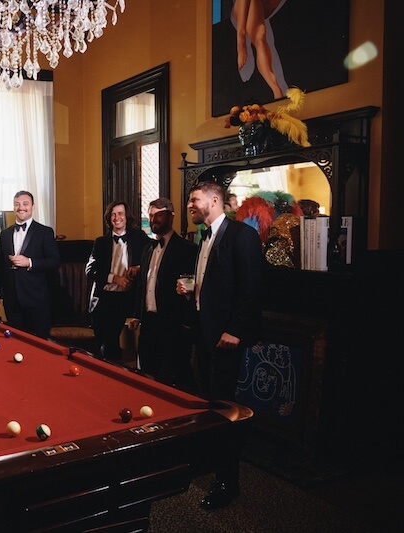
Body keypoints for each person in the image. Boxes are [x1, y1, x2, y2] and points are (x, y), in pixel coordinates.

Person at [178, 181, 263, 510]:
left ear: (215, 200)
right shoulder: (202, 238)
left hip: (227, 338)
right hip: (204, 333)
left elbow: (251, 289)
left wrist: (235, 331)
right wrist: (190, 292)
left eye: (194, 200)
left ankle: (228, 482)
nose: (190, 205)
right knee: (209, 403)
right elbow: (213, 285)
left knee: (226, 410)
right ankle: (209, 463)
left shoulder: (242, 235)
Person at [127, 198, 197, 388]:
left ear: (170, 216)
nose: (154, 219)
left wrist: (186, 321)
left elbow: (193, 283)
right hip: (148, 323)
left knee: (178, 376)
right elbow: (143, 285)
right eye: (151, 215)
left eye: (159, 215)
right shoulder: (147, 248)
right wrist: (136, 314)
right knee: (147, 375)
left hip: (173, 324)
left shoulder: (188, 249)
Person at [86, 201, 151, 363]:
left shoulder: (139, 238)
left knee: (117, 345)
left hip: (128, 300)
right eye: (113, 214)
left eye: (120, 214)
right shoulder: (100, 242)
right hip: (104, 298)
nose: (117, 218)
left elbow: (152, 261)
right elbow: (90, 270)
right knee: (104, 343)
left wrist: (137, 268)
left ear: (127, 217)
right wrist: (115, 278)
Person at [0, 191, 60, 339]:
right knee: (16, 344)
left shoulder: (45, 232)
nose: (21, 207)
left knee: (39, 347)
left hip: (37, 301)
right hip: (12, 301)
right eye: (17, 204)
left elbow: (54, 261)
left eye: (25, 204)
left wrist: (30, 262)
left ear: (33, 207)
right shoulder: (5, 234)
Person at [231, 0, 288, 99]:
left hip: (263, 6)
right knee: (259, 36)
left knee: (259, 36)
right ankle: (276, 88)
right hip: (243, 11)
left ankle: (243, 39)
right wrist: (241, 39)